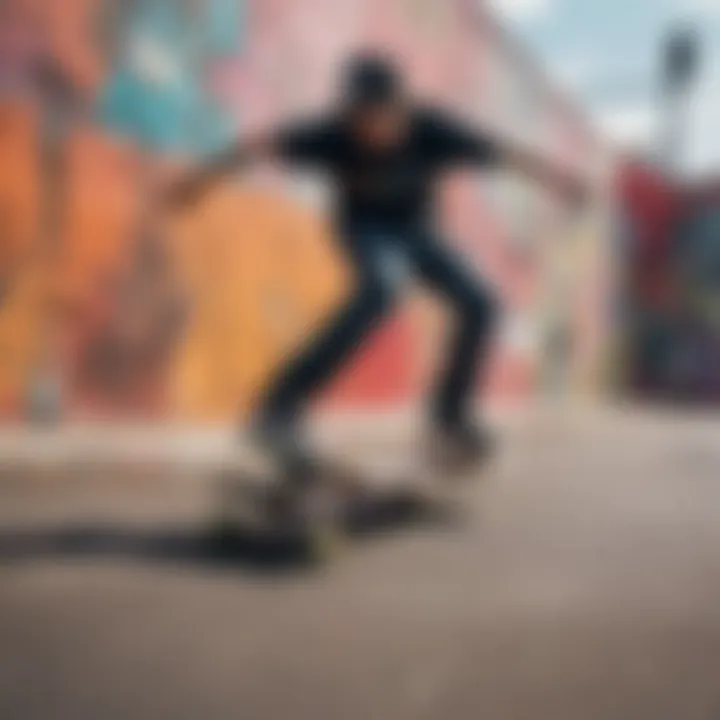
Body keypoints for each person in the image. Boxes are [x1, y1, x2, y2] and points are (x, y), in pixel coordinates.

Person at [168, 53, 587, 478]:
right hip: (365, 228)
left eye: (378, 119)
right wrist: (199, 181)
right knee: (381, 291)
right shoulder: (331, 133)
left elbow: (501, 152)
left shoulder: (433, 128)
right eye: (358, 120)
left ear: (399, 108)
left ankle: (450, 418)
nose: (368, 132)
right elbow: (259, 146)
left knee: (481, 303)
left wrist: (560, 179)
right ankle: (279, 412)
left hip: (420, 232)